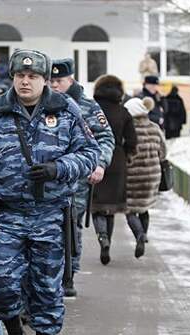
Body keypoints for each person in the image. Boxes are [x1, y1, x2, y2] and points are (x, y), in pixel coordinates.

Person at [0, 49, 100, 335]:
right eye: (20, 76)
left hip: (50, 213)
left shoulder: (65, 110)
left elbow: (90, 154)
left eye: (33, 76)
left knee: (47, 288)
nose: (26, 81)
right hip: (8, 213)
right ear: (12, 78)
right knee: (1, 284)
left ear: (43, 80)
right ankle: (15, 334)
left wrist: (59, 168)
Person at [49, 58, 115, 297]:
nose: (55, 85)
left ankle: (69, 275)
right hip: (50, 177)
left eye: (59, 81)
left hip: (77, 179)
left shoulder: (88, 106)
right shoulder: (44, 104)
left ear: (71, 80)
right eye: (51, 81)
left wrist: (99, 164)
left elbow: (106, 138)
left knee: (71, 226)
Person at [91, 75, 138, 265]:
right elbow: (132, 140)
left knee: (96, 206)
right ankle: (106, 239)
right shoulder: (123, 112)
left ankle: (103, 237)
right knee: (110, 207)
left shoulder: (92, 110)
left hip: (94, 159)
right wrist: (125, 155)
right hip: (117, 161)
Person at [123, 97, 167, 258]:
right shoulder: (155, 128)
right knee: (144, 208)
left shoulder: (128, 130)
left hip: (132, 176)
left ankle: (140, 234)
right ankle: (144, 234)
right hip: (152, 175)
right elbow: (163, 152)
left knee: (129, 210)